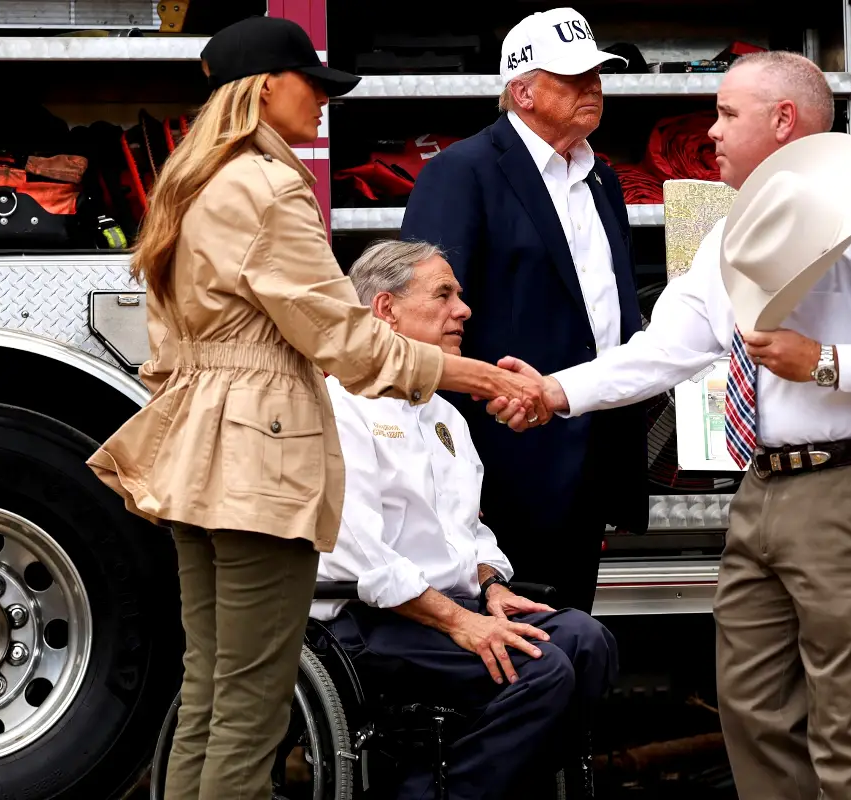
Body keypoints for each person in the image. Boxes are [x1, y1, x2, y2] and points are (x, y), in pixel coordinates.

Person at [491, 51, 851, 799]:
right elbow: (662, 352)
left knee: (849, 728)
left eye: (726, 114)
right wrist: (554, 392)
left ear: (785, 122)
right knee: (752, 712)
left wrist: (825, 362)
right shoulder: (729, 237)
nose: (708, 131)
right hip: (765, 493)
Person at [85, 17, 546, 800]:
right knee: (253, 709)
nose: (326, 103)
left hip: (195, 457)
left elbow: (164, 347)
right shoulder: (268, 187)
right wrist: (480, 378)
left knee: (209, 691)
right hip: (259, 462)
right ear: (266, 87)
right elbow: (348, 341)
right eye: (314, 85)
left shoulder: (190, 187)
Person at [311, 239, 618, 800]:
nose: (464, 310)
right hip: (372, 621)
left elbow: (469, 532)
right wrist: (461, 621)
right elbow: (361, 558)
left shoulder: (444, 412)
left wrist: (491, 586)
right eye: (444, 294)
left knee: (586, 640)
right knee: (541, 670)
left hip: (447, 607)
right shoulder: (341, 407)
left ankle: (492, 780)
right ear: (385, 309)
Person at [398, 6, 647, 614]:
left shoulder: (600, 178)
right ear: (523, 91)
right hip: (502, 458)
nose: (593, 87)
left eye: (597, 74)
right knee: (505, 642)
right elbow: (424, 323)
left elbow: (612, 304)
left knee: (572, 628)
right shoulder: (463, 173)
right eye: (573, 77)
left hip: (591, 446)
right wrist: (446, 463)